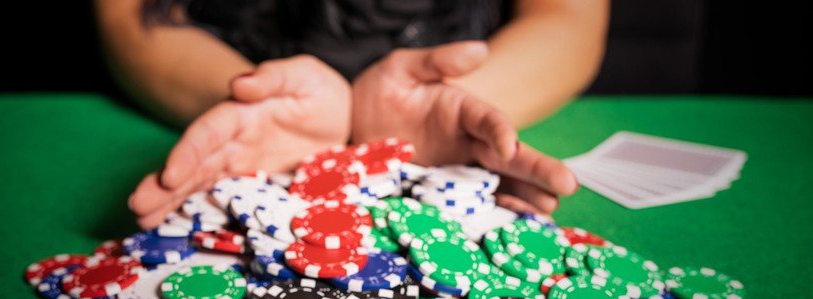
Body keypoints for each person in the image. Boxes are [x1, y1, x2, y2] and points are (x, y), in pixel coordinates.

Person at [94, 0, 610, 229]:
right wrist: (251, 99)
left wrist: (458, 98)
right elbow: (128, 14)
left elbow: (566, 16)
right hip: (241, 71)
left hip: (446, 73)